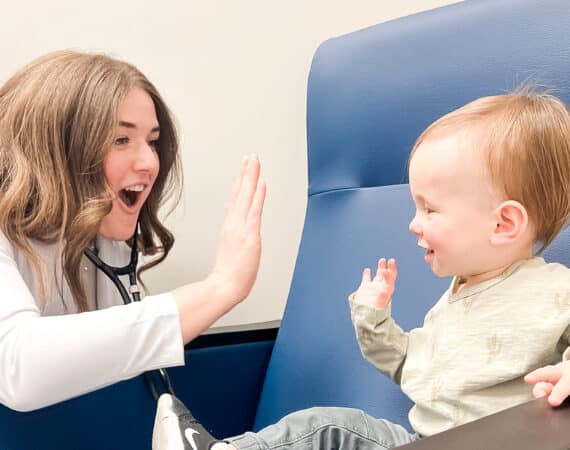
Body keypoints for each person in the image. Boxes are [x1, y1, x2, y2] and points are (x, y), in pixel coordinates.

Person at [172, 89, 570, 450]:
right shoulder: (452, 303)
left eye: (429, 209)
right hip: (418, 440)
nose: (414, 223)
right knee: (328, 427)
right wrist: (374, 319)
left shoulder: (554, 291)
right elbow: (407, 365)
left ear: (503, 225)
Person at [0, 50, 266, 412]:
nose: (150, 162)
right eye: (121, 140)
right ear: (56, 149)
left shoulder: (100, 242)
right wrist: (220, 287)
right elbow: (19, 369)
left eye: (152, 141)